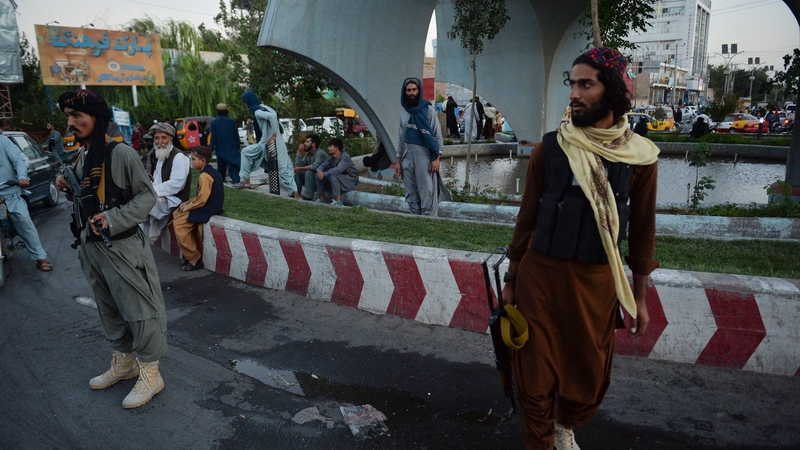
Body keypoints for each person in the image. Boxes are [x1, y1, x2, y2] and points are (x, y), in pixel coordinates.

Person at [501, 47, 659, 449]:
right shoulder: (551, 148)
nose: (574, 93)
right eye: (572, 83)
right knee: (533, 383)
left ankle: (564, 424)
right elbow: (527, 220)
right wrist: (511, 279)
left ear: (612, 92)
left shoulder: (640, 158)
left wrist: (639, 298)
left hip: (595, 286)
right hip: (541, 281)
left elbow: (641, 232)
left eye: (586, 84)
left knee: (587, 384)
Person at [56, 89, 167, 409]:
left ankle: (150, 372)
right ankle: (124, 363)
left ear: (97, 118)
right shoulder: (82, 155)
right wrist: (67, 187)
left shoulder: (120, 154)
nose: (71, 122)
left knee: (140, 311)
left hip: (122, 247)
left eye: (78, 116)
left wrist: (113, 218)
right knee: (109, 309)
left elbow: (147, 198)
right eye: (68, 116)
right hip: (92, 248)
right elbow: (87, 197)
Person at [395, 77, 449, 217]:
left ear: (419, 91)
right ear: (404, 92)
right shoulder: (404, 114)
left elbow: (437, 136)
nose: (411, 93)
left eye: (414, 89)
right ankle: (416, 222)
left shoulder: (428, 111)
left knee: (427, 193)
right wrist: (398, 161)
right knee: (411, 194)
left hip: (424, 159)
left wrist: (436, 158)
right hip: (407, 160)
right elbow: (400, 139)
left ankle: (429, 222)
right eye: (408, 90)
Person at [0, 134, 53, 272]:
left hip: (9, 193)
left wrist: (22, 177)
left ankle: (40, 257)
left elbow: (18, 160)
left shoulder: (3, 141)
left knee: (25, 222)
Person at [238, 90, 302, 199]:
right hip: (275, 143)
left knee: (282, 168)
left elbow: (272, 117)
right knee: (285, 167)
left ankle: (296, 194)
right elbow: (275, 117)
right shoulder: (265, 107)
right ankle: (294, 192)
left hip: (268, 143)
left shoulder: (258, 111)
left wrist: (273, 134)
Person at [172, 146, 224, 271]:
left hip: (208, 208)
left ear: (202, 161)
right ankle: (188, 250)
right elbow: (200, 195)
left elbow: (202, 199)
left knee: (179, 223)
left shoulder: (205, 176)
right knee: (177, 212)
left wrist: (188, 207)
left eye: (193, 159)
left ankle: (194, 256)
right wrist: (188, 202)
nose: (191, 162)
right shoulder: (208, 172)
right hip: (207, 205)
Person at [140, 122, 191, 241]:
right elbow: (156, 180)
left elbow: (176, 185)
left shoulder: (179, 157)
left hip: (174, 200)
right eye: (157, 138)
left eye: (164, 138)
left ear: (171, 139)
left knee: (141, 203)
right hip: (160, 197)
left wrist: (151, 191)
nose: (160, 142)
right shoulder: (160, 155)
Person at [315, 137, 358, 206]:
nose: (328, 148)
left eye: (330, 146)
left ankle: (338, 202)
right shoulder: (331, 158)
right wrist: (320, 171)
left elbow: (338, 170)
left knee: (333, 175)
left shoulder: (345, 157)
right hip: (339, 180)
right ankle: (322, 199)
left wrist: (324, 174)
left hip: (350, 180)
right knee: (318, 175)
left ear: (336, 148)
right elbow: (321, 166)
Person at [209, 103, 241, 185]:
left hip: (220, 149)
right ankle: (236, 182)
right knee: (233, 167)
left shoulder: (214, 122)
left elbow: (214, 137)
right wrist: (238, 146)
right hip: (232, 149)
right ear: (226, 111)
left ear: (217, 112)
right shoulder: (232, 122)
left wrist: (210, 149)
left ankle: (221, 182)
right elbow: (236, 135)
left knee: (221, 168)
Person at [294, 133, 328, 200]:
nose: (304, 144)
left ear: (313, 144)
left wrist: (300, 168)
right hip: (313, 180)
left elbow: (314, 167)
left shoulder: (320, 153)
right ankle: (296, 194)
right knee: (299, 173)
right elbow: (299, 165)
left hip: (323, 181)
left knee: (309, 172)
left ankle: (308, 197)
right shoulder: (308, 154)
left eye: (307, 142)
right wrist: (299, 152)